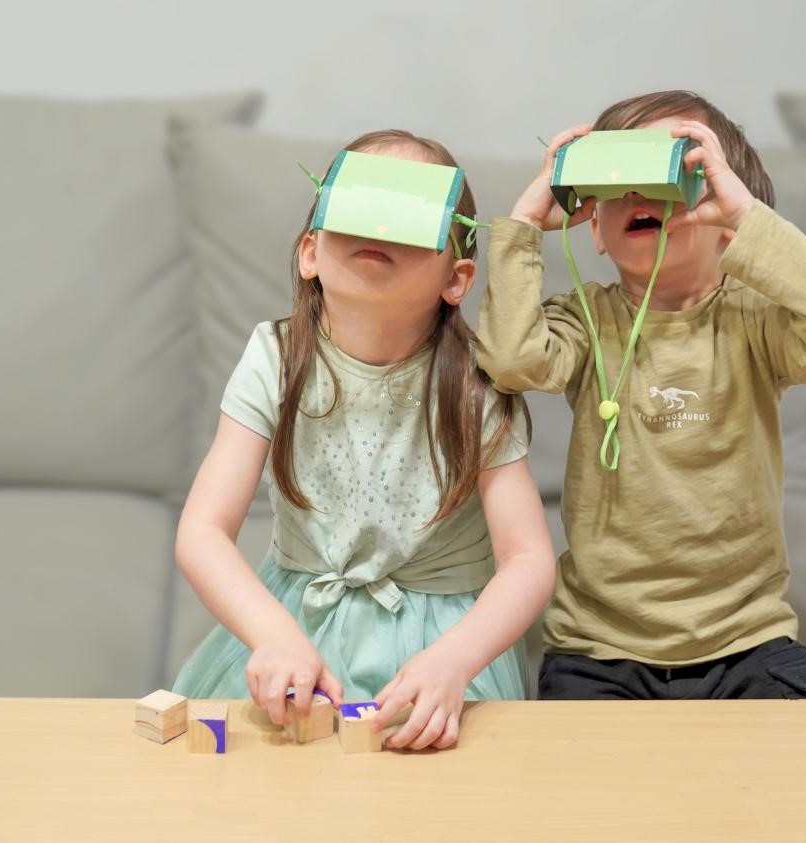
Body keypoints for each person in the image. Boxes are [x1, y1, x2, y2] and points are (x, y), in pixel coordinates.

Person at [476, 91, 806, 700]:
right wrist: (526, 225)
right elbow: (511, 362)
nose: (638, 195)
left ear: (724, 218)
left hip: (745, 637)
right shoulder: (587, 320)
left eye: (672, 175)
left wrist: (744, 216)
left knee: (794, 773)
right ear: (597, 234)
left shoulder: (756, 322)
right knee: (582, 787)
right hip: (598, 645)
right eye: (617, 181)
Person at [174, 130, 555, 750]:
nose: (381, 227)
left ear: (456, 279)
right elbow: (202, 530)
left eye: (410, 217)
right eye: (358, 206)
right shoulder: (273, 357)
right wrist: (272, 633)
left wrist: (455, 661)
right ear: (310, 253)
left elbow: (529, 559)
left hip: (442, 644)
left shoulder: (475, 382)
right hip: (296, 622)